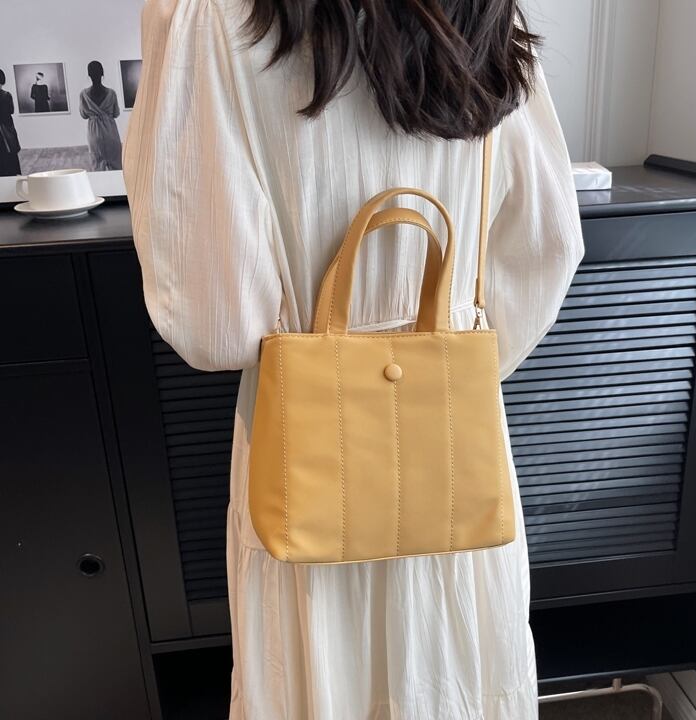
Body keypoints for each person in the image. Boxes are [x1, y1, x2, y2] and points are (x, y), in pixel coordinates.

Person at [123, 1, 585, 718]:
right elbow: (545, 250)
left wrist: (334, 350)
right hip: (449, 446)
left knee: (319, 678)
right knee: (459, 674)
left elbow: (218, 326)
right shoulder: (484, 13)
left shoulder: (205, 15)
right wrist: (433, 365)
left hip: (307, 445)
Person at [79, 61, 123, 171]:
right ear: (102, 73)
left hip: (94, 133)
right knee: (116, 165)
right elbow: (116, 113)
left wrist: (94, 114)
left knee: (97, 165)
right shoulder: (111, 93)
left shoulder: (84, 94)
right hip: (110, 132)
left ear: (89, 75)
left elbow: (84, 115)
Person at [0, 69, 21, 177]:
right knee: (10, 158)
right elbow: (11, 110)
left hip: (4, 131)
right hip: (6, 129)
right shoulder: (6, 95)